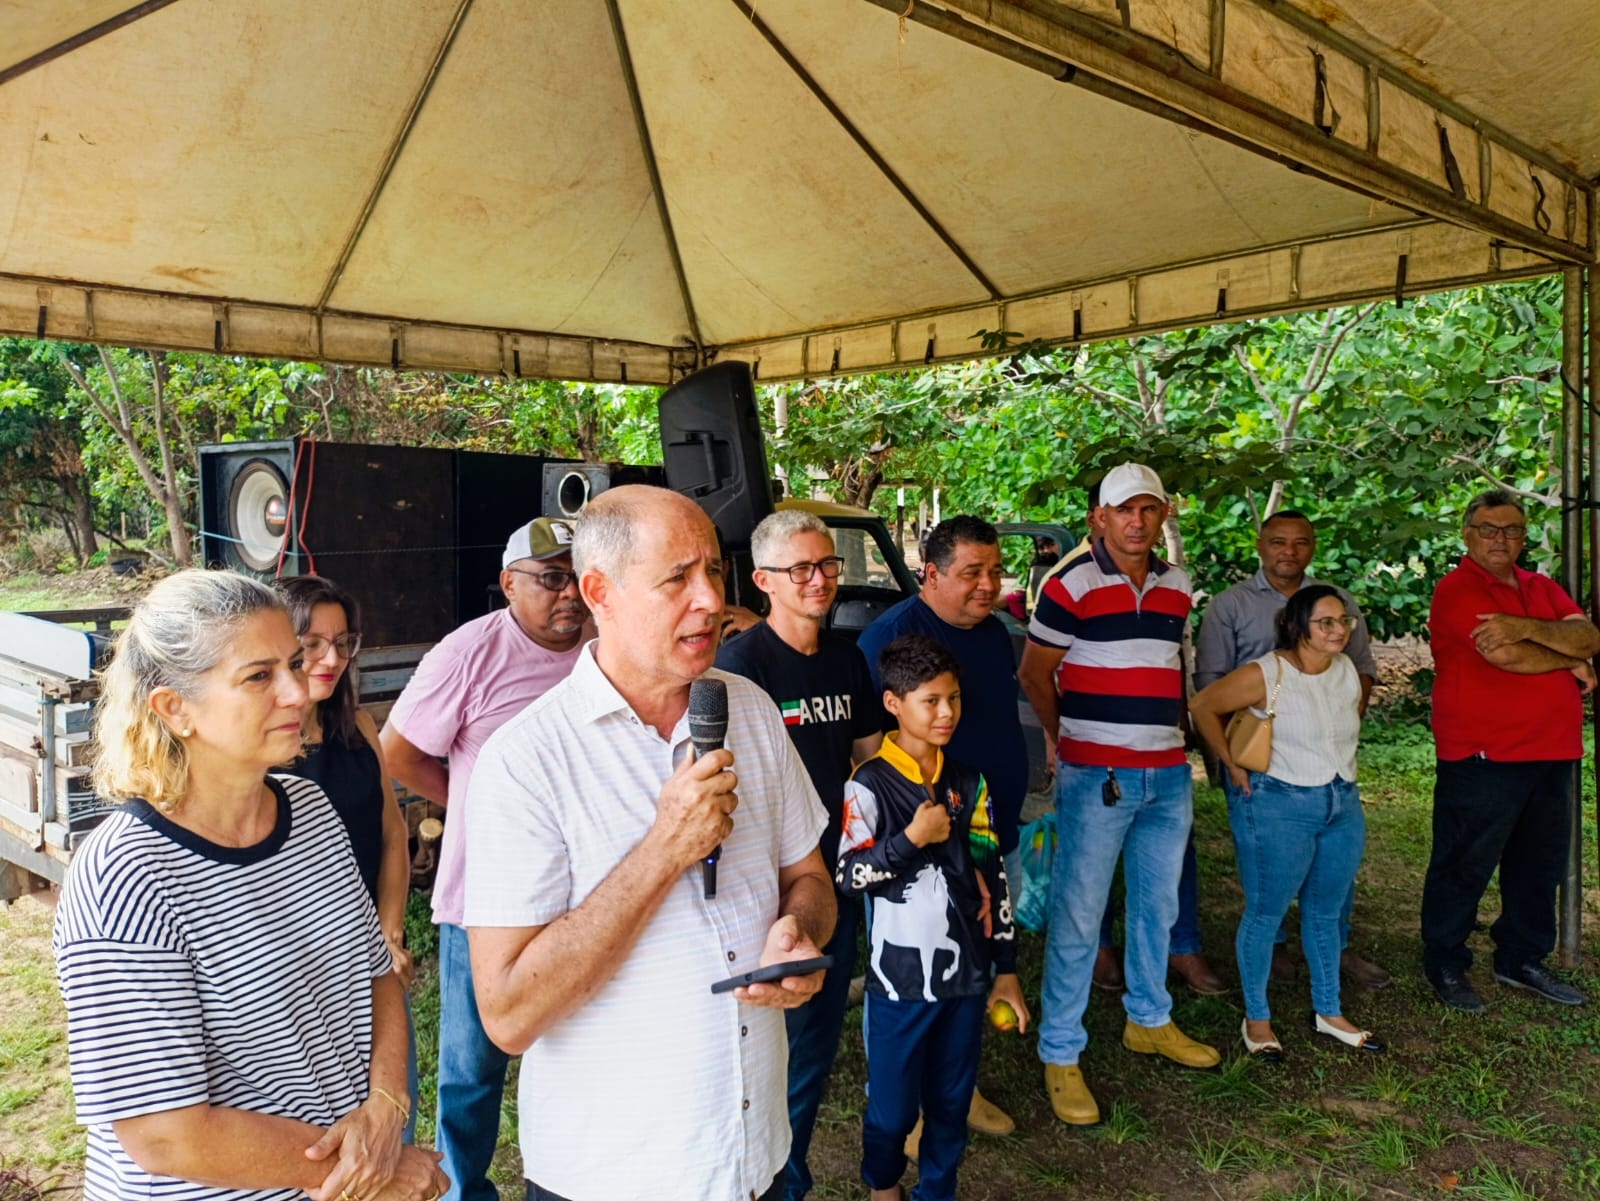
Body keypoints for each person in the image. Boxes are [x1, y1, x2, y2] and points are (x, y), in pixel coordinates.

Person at [462, 486, 836, 1201]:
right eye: (677, 579)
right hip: (617, 1175)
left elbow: (809, 876)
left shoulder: (750, 709)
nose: (709, 600)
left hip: (756, 1158)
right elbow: (508, 1012)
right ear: (599, 590)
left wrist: (799, 930)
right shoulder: (526, 759)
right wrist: (665, 848)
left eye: (715, 573)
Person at [53, 570, 447, 1201]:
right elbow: (165, 1135)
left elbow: (376, 976)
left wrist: (387, 1105)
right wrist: (373, 1170)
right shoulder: (126, 874)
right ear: (175, 709)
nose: (297, 691)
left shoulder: (310, 811)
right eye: (259, 676)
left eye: (293, 663)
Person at [379, 515, 589, 1201]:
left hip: (588, 903)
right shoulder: (469, 653)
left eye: (578, 578)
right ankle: (463, 1189)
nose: (569, 596)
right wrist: (476, 803)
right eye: (550, 579)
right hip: (485, 901)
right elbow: (400, 750)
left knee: (582, 1053)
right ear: (508, 584)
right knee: (473, 1069)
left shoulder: (607, 648)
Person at [1021, 463, 1220, 1128]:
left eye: (1149, 509)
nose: (1137, 522)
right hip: (1096, 775)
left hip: (1167, 774)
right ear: (1098, 519)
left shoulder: (1177, 585)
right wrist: (1064, 735)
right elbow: (1035, 672)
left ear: (1164, 515)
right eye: (1123, 510)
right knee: (1079, 919)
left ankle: (1148, 1018)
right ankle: (1060, 1050)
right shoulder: (1069, 583)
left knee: (1157, 909)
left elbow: (1172, 667)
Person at [716, 509, 884, 1201]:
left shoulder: (847, 656)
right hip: (765, 885)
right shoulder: (741, 667)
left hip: (833, 877)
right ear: (764, 581)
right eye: (802, 569)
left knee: (814, 1043)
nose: (820, 580)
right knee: (756, 1047)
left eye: (829, 566)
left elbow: (871, 758)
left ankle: (790, 1177)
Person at [836, 635, 1028, 1201]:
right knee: (893, 1113)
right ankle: (883, 1184)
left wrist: (1007, 967)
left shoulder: (970, 783)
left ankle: (937, 1190)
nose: (947, 713)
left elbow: (993, 875)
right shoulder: (867, 784)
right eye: (931, 701)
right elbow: (848, 877)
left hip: (965, 980)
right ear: (893, 703)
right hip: (898, 987)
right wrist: (910, 841)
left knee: (951, 1103)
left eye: (955, 698)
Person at [857, 514, 1030, 1137]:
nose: (988, 585)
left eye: (994, 571)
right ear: (930, 574)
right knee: (901, 974)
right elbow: (867, 749)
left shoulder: (990, 632)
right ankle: (900, 1110)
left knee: (967, 958)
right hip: (917, 848)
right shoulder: (890, 636)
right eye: (971, 573)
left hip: (984, 826)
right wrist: (904, 835)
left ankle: (955, 1090)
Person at [1193, 509, 1389, 990]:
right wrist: (1224, 758)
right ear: (1260, 545)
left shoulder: (1334, 603)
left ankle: (1333, 948)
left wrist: (1341, 721)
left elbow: (1359, 668)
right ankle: (1274, 947)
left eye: (1300, 542)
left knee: (1333, 861)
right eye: (1278, 541)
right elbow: (1209, 685)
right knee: (1267, 863)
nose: (1289, 551)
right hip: (1259, 757)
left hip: (1323, 762)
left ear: (1313, 546)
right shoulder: (1231, 605)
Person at [1421, 490, 1600, 1013]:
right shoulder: (1456, 590)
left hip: (1553, 749)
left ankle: (1521, 957)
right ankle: (1445, 959)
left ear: (1524, 537)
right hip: (1484, 753)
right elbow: (1505, 658)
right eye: (1489, 529)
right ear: (1468, 533)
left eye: (1512, 530)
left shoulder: (1540, 586)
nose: (1501, 539)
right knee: (1463, 861)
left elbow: (1588, 637)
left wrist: (1526, 627)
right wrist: (1563, 655)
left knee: (1538, 864)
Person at [280, 575, 419, 1139]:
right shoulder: (261, 749)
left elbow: (391, 836)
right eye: (311, 643)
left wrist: (388, 937)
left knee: (392, 1115)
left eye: (342, 642)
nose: (330, 657)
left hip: (370, 964)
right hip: (297, 971)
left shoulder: (359, 727)